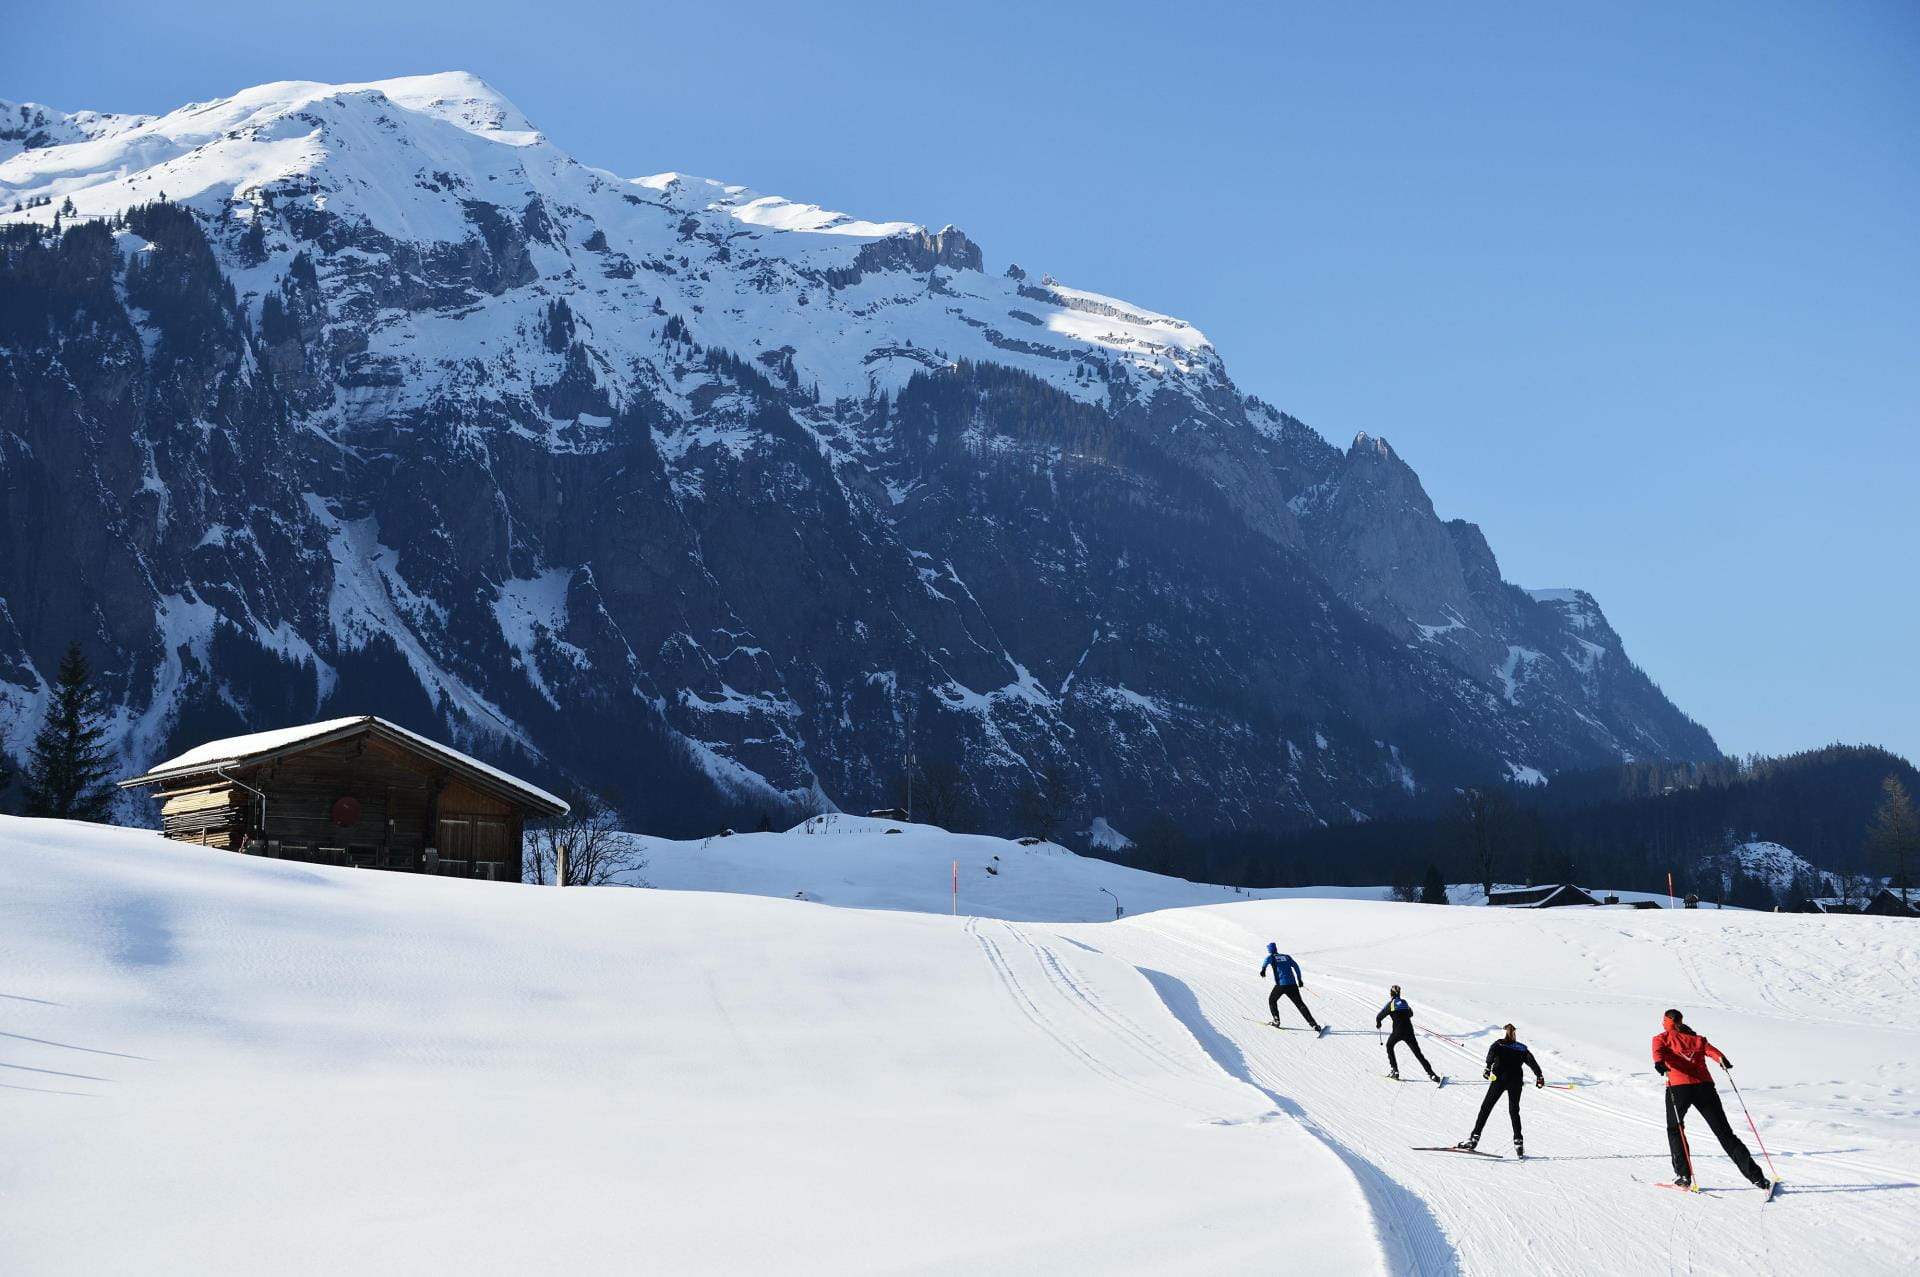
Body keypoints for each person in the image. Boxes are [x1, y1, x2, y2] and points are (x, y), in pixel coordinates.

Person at [1652, 1009, 1769, 1189]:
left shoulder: (1661, 1038)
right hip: (1704, 1088)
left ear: (1665, 1022)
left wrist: (1659, 1064)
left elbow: (1658, 1053)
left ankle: (1683, 1176)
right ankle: (1757, 1178)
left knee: (1675, 1129)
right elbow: (1715, 1053)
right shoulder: (1698, 1039)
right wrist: (1722, 1060)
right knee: (1724, 1133)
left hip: (1678, 1088)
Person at [1459, 1023, 1543, 1155]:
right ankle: (1518, 1142)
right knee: (1514, 1111)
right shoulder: (1522, 1048)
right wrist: (1539, 1076)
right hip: (1515, 1081)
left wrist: (1487, 1068)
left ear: (1503, 1033)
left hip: (1499, 1080)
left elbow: (1490, 1056)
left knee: (1486, 1108)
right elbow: (1531, 1062)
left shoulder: (1498, 1044)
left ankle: (1474, 1138)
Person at [1375, 985, 1439, 1082]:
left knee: (1389, 1046)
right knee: (1418, 1053)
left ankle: (1394, 1071)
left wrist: (1378, 1024)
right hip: (1409, 1032)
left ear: (1391, 994)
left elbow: (1379, 1016)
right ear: (1399, 993)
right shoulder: (1405, 1002)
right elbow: (1411, 1014)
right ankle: (1432, 1074)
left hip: (1398, 1032)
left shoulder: (1391, 1004)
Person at [1258, 942, 1321, 1030]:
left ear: (1269, 950)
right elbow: (1296, 967)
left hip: (1281, 985)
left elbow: (1266, 961)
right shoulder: (1287, 957)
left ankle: (1276, 1021)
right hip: (1292, 985)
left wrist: (1263, 969)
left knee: (1272, 1000)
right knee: (1300, 1004)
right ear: (1276, 948)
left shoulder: (1271, 957)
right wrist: (1299, 979)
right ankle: (1314, 1025)